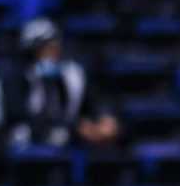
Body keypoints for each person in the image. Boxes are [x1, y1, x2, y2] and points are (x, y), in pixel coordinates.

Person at [15, 19, 118, 148]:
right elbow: (21, 114)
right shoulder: (19, 77)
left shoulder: (75, 73)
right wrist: (76, 127)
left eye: (53, 45)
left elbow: (96, 100)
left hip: (73, 140)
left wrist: (105, 118)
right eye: (43, 48)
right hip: (29, 141)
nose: (50, 52)